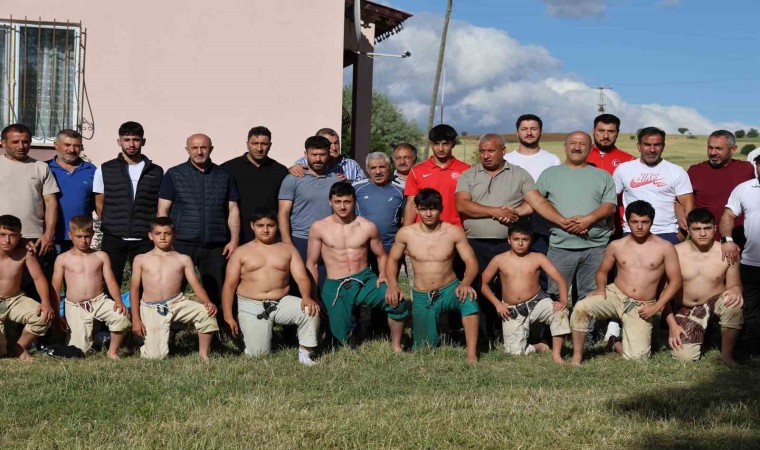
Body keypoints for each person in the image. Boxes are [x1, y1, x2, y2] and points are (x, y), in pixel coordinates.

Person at [455, 133, 570, 340]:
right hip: (476, 242)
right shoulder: (469, 175)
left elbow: (536, 202)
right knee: (479, 285)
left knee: (509, 287)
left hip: (509, 244)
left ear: (503, 151)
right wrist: (495, 211)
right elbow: (462, 204)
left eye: (491, 151)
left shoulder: (519, 174)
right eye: (482, 151)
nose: (486, 155)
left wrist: (561, 221)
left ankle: (509, 330)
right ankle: (483, 334)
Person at [570, 201, 682, 365]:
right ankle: (577, 357)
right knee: (581, 308)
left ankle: (615, 343)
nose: (639, 226)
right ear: (627, 221)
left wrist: (656, 307)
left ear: (652, 221)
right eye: (634, 222)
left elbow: (676, 281)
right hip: (615, 294)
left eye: (644, 222)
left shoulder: (665, 247)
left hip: (641, 305)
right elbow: (602, 271)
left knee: (638, 359)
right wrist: (601, 288)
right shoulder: (616, 245)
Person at [306, 182, 408, 350]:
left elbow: (382, 255)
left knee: (397, 302)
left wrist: (383, 275)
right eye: (338, 202)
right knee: (341, 341)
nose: (342, 206)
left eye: (347, 202)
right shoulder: (319, 228)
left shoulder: (367, 226)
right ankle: (345, 332)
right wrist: (313, 293)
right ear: (330, 202)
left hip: (364, 280)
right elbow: (312, 263)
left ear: (354, 202)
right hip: (336, 283)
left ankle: (396, 346)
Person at [386, 188, 480, 362]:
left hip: (450, 289)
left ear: (441, 209)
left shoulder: (453, 232)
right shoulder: (406, 233)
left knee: (469, 300)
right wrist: (393, 285)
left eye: (433, 209)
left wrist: (466, 283)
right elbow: (392, 260)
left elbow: (471, 261)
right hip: (423, 294)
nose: (428, 214)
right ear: (416, 209)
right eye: (423, 209)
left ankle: (471, 354)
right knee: (424, 349)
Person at [221, 209, 320, 365]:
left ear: (277, 226)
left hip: (281, 301)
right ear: (252, 226)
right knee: (259, 355)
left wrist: (307, 297)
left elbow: (302, 277)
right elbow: (229, 286)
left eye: (270, 225)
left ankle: (305, 354)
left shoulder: (288, 249)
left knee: (310, 310)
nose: (265, 230)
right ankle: (254, 338)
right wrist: (228, 316)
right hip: (251, 304)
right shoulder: (241, 252)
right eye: (260, 225)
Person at [158, 133, 240, 311]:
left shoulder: (224, 175)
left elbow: (233, 209)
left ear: (211, 149)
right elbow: (163, 210)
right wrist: (164, 241)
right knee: (172, 290)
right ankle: (169, 326)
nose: (199, 152)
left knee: (217, 293)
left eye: (203, 147)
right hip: (181, 243)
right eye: (194, 148)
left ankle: (220, 326)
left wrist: (234, 240)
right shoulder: (174, 174)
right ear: (187, 150)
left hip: (215, 245)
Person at [536, 132, 616, 309]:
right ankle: (558, 327)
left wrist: (588, 220)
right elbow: (537, 202)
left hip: (595, 247)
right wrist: (564, 222)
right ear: (565, 146)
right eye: (573, 143)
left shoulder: (603, 176)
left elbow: (610, 206)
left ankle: (584, 328)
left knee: (590, 295)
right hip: (560, 246)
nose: (577, 147)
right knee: (556, 294)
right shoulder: (549, 174)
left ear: (590, 148)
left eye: (582, 144)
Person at [479, 222, 569, 364]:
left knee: (561, 313)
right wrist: (497, 304)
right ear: (509, 240)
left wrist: (563, 300)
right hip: (511, 309)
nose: (520, 243)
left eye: (525, 239)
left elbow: (560, 279)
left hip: (537, 301)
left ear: (531, 240)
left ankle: (557, 354)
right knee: (515, 353)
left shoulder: (538, 257)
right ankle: (540, 346)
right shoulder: (499, 259)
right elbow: (483, 284)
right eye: (516, 239)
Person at [130, 217, 219, 360]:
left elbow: (196, 284)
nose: (163, 237)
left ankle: (204, 354)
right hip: (151, 307)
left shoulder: (183, 259)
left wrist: (207, 301)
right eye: (158, 233)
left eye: (167, 233)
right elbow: (134, 289)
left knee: (206, 313)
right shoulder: (141, 259)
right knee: (156, 356)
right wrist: (136, 318)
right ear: (150, 236)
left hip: (177, 302)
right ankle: (147, 343)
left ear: (174, 235)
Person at [666, 209, 742, 364]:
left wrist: (736, 289)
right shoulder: (674, 252)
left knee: (733, 303)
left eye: (707, 228)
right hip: (687, 308)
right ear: (688, 230)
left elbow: (735, 284)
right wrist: (672, 326)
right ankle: (703, 333)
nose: (702, 233)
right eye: (697, 229)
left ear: (715, 229)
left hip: (715, 304)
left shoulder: (727, 252)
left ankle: (727, 356)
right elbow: (663, 294)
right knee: (685, 358)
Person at [94, 121, 163, 288]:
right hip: (114, 237)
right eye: (126, 140)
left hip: (144, 237)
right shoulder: (105, 169)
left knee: (146, 284)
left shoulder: (156, 171)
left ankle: (140, 307)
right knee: (110, 283)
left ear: (143, 141)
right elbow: (99, 202)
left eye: (136, 139)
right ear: (119, 142)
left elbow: (158, 204)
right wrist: (111, 223)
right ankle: (113, 307)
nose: (131, 144)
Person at [51, 215, 130, 358]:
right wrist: (57, 314)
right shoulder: (62, 259)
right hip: (76, 306)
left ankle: (112, 351)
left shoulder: (101, 256)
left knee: (121, 317)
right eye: (79, 236)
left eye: (87, 236)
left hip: (99, 301)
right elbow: (55, 288)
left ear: (93, 234)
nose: (83, 240)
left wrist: (118, 300)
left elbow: (111, 281)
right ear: (70, 235)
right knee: (80, 351)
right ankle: (93, 337)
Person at [0, 124, 60, 298]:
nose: (21, 146)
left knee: (34, 290)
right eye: (15, 142)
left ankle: (36, 316)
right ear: (3, 143)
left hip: (35, 239)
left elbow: (51, 203)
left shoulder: (40, 167)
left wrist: (48, 234)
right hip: (3, 237)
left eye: (25, 142)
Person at [612, 127, 693, 245]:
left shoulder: (676, 171)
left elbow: (687, 202)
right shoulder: (623, 169)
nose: (652, 149)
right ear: (639, 146)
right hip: (632, 232)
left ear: (663, 146)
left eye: (657, 145)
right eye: (647, 145)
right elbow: (610, 198)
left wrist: (682, 234)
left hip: (667, 232)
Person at [504, 114, 561, 261]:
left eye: (533, 129)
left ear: (540, 131)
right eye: (524, 129)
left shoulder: (552, 160)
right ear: (517, 133)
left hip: (543, 224)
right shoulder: (506, 160)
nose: (529, 133)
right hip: (512, 219)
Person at [720, 153, 760, 359]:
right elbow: (728, 215)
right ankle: (752, 349)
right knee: (750, 308)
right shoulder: (744, 189)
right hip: (752, 262)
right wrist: (727, 239)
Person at [278, 136, 341, 261]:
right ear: (306, 154)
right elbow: (283, 213)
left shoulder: (336, 180)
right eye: (314, 155)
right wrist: (287, 242)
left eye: (322, 154)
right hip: (300, 240)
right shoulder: (292, 179)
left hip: (329, 240)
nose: (318, 159)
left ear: (328, 155)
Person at [0, 215, 54, 360]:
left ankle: (19, 347)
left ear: (20, 236)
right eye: (2, 234)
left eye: (12, 235)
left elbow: (38, 278)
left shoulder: (25, 253)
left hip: (15, 299)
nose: (7, 240)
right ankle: (4, 346)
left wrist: (45, 302)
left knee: (43, 316)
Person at [222, 126, 288, 244]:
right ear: (247, 144)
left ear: (270, 145)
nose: (259, 148)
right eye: (255, 143)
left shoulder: (280, 171)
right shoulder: (228, 169)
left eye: (264, 144)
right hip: (236, 238)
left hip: (269, 238)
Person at [687, 130, 754, 244]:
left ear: (733, 149)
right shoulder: (695, 171)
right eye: (710, 148)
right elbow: (683, 201)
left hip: (741, 237)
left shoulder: (747, 169)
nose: (713, 152)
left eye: (718, 148)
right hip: (705, 238)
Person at [403, 124, 471, 227]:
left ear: (453, 144)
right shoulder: (417, 171)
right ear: (430, 144)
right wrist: (406, 232)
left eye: (445, 144)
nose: (440, 148)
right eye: (436, 144)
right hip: (423, 231)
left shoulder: (467, 170)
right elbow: (411, 204)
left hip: (455, 230)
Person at [47, 129, 97, 252]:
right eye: (67, 145)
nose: (72, 149)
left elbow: (96, 202)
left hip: (79, 236)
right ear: (56, 145)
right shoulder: (45, 168)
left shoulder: (91, 170)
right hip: (50, 236)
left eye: (76, 146)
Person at [586, 114, 636, 237]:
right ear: (593, 131)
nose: (606, 136)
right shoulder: (581, 157)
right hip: (585, 223)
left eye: (611, 131)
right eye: (601, 131)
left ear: (617, 133)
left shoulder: (629, 160)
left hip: (620, 225)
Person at [353, 152, 405, 254]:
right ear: (367, 169)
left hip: (389, 247)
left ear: (389, 167)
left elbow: (404, 219)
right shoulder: (355, 188)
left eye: (382, 167)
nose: (378, 172)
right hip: (362, 247)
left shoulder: (401, 189)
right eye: (373, 168)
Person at [290, 128, 366, 182]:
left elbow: (364, 187)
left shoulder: (352, 165)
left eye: (336, 143)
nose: (334, 148)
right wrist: (290, 170)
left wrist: (347, 183)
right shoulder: (303, 162)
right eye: (329, 144)